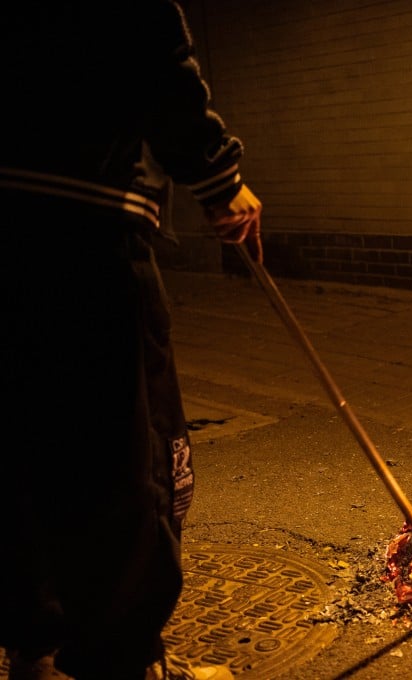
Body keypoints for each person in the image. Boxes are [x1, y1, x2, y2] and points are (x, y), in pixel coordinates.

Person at [0, 2, 262, 679]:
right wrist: (217, 177)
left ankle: (33, 643)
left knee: (17, 453)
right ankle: (121, 661)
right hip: (75, 227)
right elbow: (149, 50)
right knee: (115, 455)